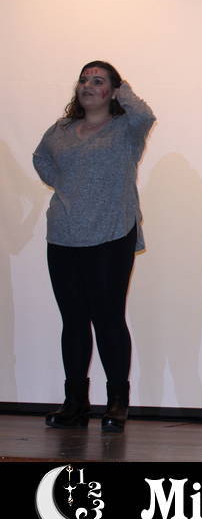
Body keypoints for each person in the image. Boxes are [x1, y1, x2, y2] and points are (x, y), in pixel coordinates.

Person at [33, 61, 155, 432]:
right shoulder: (61, 129)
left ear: (113, 90)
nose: (88, 85)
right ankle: (76, 402)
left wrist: (123, 86)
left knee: (108, 318)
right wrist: (68, 186)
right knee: (73, 320)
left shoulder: (126, 128)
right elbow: (41, 158)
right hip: (64, 235)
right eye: (84, 79)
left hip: (112, 233)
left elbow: (145, 114)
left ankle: (117, 402)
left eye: (98, 80)